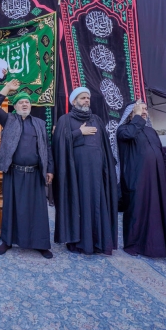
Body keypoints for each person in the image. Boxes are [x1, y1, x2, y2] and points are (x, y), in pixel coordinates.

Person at [0, 79, 54, 259]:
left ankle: (41, 243)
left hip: (35, 173)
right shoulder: (9, 120)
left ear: (30, 105)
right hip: (14, 173)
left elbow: (47, 147)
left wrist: (50, 169)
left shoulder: (40, 124)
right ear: (15, 106)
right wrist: (7, 88)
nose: (25, 104)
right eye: (21, 102)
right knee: (11, 208)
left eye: (27, 102)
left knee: (38, 210)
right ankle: (7, 241)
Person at [52, 87, 118, 255]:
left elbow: (104, 146)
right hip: (76, 175)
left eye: (88, 98)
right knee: (79, 204)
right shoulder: (65, 120)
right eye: (82, 98)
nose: (86, 100)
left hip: (96, 173)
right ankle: (78, 242)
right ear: (74, 101)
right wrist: (78, 132)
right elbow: (58, 143)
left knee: (97, 204)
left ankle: (98, 242)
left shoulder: (97, 120)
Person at [116, 100, 166, 258]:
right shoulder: (123, 129)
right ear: (131, 113)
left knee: (158, 211)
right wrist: (137, 116)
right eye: (140, 109)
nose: (144, 111)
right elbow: (129, 134)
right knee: (137, 211)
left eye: (145, 109)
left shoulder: (151, 131)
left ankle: (157, 246)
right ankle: (134, 245)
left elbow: (162, 155)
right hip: (136, 179)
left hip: (157, 178)